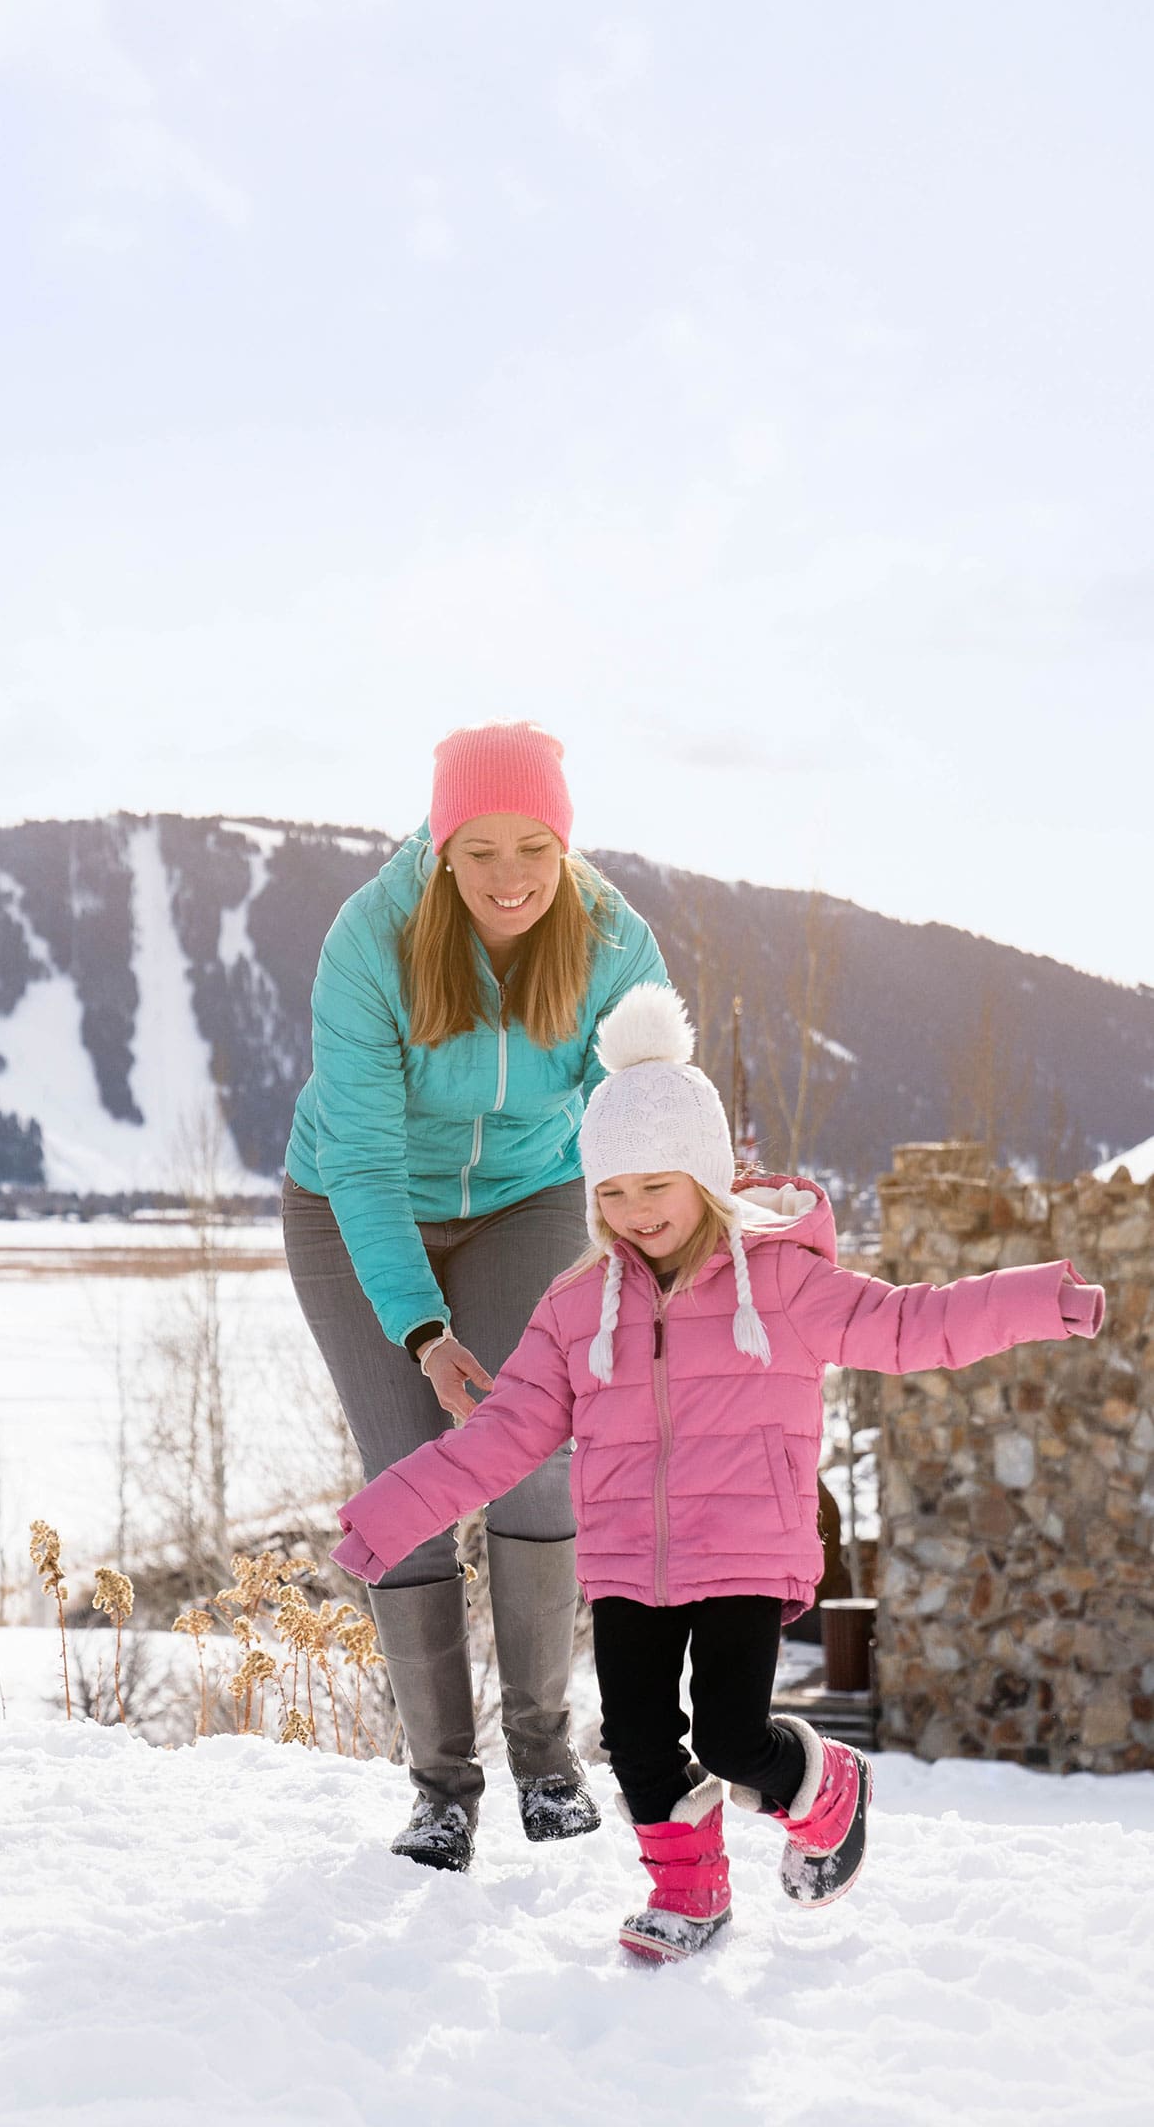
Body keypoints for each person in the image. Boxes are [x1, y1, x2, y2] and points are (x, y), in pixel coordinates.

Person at [331, 982, 1105, 1959]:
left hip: (743, 1550)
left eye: (653, 1185)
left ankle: (821, 1784)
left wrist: (1043, 1299)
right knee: (640, 1745)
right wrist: (389, 1516)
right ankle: (686, 1895)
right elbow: (499, 1434)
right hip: (622, 1566)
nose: (631, 1210)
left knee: (732, 1740)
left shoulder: (781, 1281)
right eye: (609, 1192)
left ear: (702, 1176)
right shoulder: (576, 1309)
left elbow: (912, 1326)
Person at [282, 720, 668, 1873]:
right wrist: (420, 1330)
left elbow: (645, 1114)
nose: (509, 878)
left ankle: (546, 1764)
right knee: (408, 1480)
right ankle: (440, 1790)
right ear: (441, 847)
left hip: (526, 1199)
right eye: (481, 850)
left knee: (531, 1448)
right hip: (351, 1204)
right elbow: (360, 1160)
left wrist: (684, 1240)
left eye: (533, 850)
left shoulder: (611, 944)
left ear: (564, 847)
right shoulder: (372, 938)